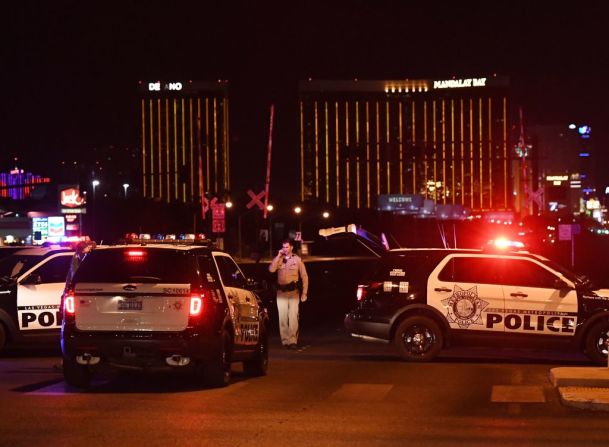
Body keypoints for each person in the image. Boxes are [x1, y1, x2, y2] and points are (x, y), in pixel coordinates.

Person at [268, 239, 308, 349]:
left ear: (291, 248)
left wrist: (304, 293)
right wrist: (277, 256)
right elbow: (271, 270)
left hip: (293, 293)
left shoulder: (297, 260)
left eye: (286, 247)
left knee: (293, 317)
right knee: (282, 318)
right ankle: (285, 340)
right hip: (281, 293)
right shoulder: (279, 259)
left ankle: (293, 341)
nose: (285, 249)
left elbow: (304, 276)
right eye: (283, 247)